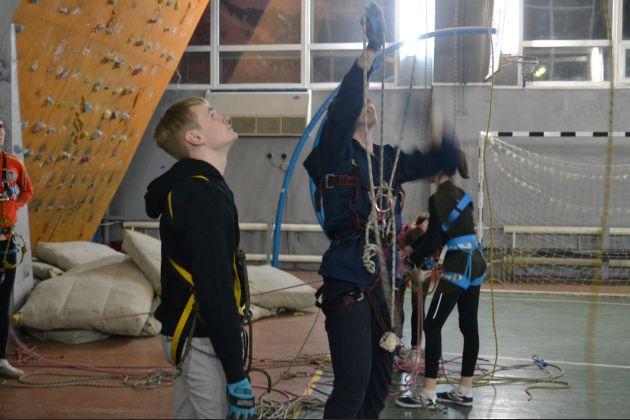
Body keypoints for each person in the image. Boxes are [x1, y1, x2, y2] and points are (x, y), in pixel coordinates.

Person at [303, 4, 462, 418]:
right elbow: (343, 110)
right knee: (352, 387)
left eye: (370, 99)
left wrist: (438, 123)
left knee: (378, 386)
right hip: (349, 279)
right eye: (362, 100)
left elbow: (439, 159)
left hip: (385, 284)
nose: (368, 102)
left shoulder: (388, 160)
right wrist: (369, 55)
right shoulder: (334, 153)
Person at [145, 97, 255, 419]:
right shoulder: (202, 195)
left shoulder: (197, 188)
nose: (225, 117)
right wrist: (235, 374)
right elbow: (215, 288)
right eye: (212, 114)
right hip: (201, 338)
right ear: (195, 137)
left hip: (193, 334)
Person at [395, 152, 487, 409]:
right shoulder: (462, 196)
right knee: (469, 325)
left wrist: (411, 258)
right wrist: (412, 250)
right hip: (476, 261)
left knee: (432, 325)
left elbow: (435, 239)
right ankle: (464, 390)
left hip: (459, 265)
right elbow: (441, 235)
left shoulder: (437, 198)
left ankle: (428, 392)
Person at [0, 116, 34, 379]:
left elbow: (27, 190)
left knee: (2, 304)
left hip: (7, 241)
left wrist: (13, 207)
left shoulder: (14, 164)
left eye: (1, 128)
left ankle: (0, 360)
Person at [396, 212, 432, 364]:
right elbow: (401, 255)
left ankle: (414, 347)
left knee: (417, 306)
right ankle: (398, 344)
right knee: (398, 307)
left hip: (421, 266)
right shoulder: (405, 236)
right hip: (402, 265)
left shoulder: (432, 239)